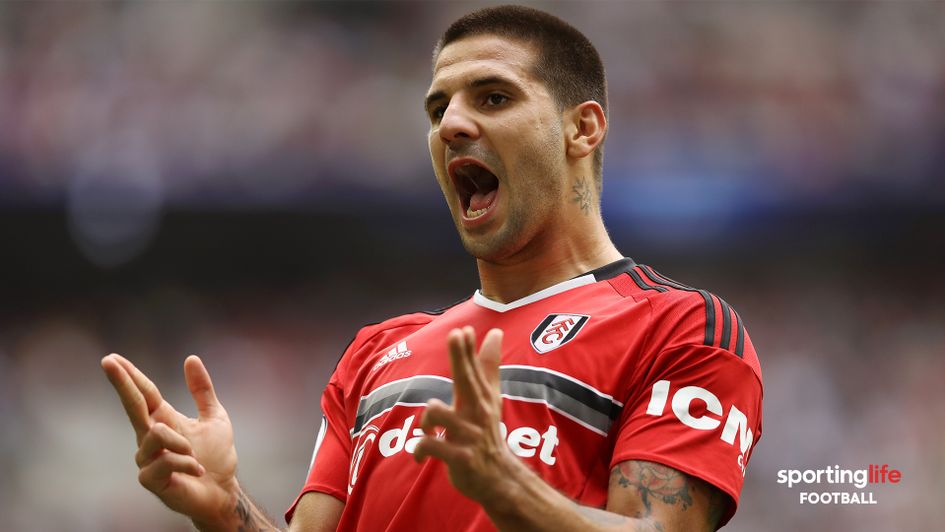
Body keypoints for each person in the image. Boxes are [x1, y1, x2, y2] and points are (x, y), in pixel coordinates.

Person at [102, 5, 763, 531]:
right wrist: (224, 510)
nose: (451, 124)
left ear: (581, 129)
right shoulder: (375, 353)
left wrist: (506, 489)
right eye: (436, 107)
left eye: (493, 97)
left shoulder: (680, 329)